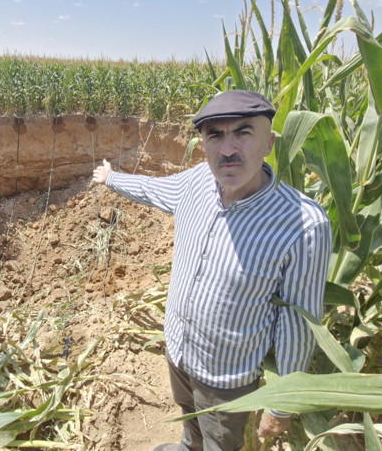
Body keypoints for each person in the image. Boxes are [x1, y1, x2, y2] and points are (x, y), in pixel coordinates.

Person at [91, 90, 332, 451]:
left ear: (269, 142)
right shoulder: (195, 183)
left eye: (243, 133)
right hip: (179, 352)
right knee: (189, 420)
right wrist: (112, 178)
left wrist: (282, 405)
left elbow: (299, 324)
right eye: (215, 135)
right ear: (203, 143)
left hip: (227, 379)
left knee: (222, 441)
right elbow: (152, 189)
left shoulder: (302, 225)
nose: (228, 149)